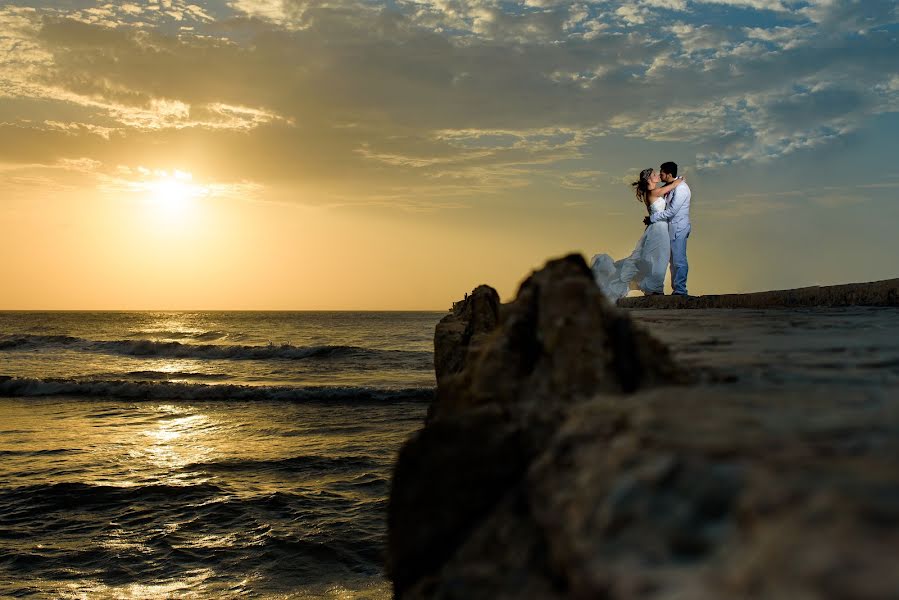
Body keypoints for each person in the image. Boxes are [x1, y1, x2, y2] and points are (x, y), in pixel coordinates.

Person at [591, 167, 686, 300]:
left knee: (657, 258)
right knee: (658, 258)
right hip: (658, 230)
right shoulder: (653, 192)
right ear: (649, 179)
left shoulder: (653, 192)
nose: (657, 175)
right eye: (654, 174)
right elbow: (673, 185)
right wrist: (679, 180)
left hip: (658, 228)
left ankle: (653, 287)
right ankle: (654, 288)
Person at [643, 161, 691, 296]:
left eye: (661, 172)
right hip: (666, 229)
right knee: (668, 259)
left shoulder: (681, 188)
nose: (659, 174)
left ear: (669, 174)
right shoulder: (669, 186)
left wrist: (652, 218)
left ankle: (681, 290)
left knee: (679, 259)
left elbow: (672, 211)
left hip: (678, 227)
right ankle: (674, 288)